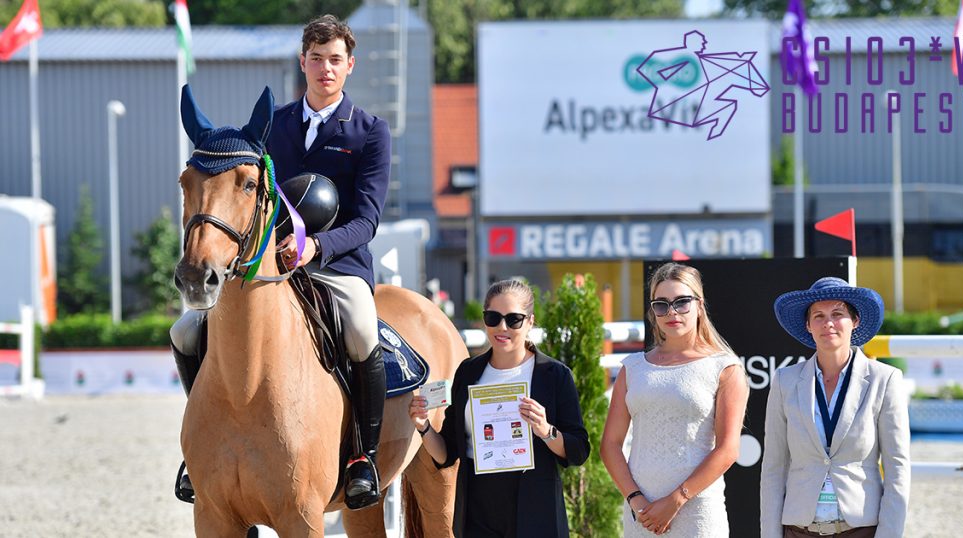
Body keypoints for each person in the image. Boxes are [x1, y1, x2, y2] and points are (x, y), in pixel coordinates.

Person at [171, 14, 391, 510]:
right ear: (303, 62)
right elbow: (250, 198)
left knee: (360, 328)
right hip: (269, 265)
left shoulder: (370, 132)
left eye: (335, 60)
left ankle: (363, 456)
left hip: (338, 264)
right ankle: (201, 449)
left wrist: (317, 247)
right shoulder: (274, 127)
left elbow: (368, 220)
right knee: (185, 331)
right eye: (316, 59)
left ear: (349, 65)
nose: (325, 69)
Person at [407, 279, 590, 537]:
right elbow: (447, 453)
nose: (502, 327)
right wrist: (423, 427)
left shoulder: (554, 375)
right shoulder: (468, 372)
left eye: (513, 319)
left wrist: (546, 430)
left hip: (536, 509)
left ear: (530, 322)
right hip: (478, 512)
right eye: (493, 317)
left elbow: (579, 450)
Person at [601, 262, 749, 537]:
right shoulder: (633, 368)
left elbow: (728, 449)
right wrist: (636, 502)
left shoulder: (725, 367)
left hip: (697, 513)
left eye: (682, 302)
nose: (672, 312)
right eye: (661, 304)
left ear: (699, 305)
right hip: (641, 516)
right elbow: (610, 444)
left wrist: (676, 500)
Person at [761, 277, 910, 538]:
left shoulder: (884, 380)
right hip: (799, 530)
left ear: (855, 321)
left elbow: (897, 467)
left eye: (837, 313)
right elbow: (773, 469)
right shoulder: (785, 381)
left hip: (860, 529)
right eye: (818, 315)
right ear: (808, 325)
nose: (828, 323)